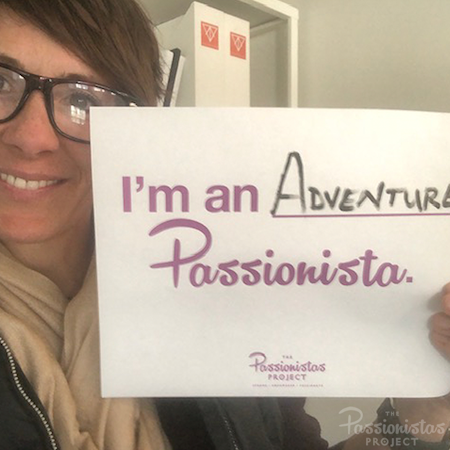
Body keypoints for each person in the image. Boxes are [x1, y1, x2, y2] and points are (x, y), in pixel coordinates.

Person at [0, 0, 449, 449]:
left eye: (82, 99)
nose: (31, 137)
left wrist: (423, 411)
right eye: (1, 82)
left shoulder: (228, 281)